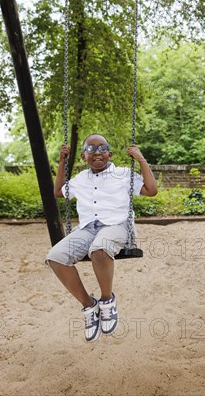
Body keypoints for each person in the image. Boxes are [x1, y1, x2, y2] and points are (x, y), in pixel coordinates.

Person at [46, 133, 158, 342]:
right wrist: (62, 161)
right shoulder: (80, 180)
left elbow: (151, 190)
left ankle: (107, 301)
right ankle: (89, 306)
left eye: (102, 148)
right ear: (83, 156)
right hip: (87, 228)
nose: (97, 153)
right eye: (91, 149)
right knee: (55, 257)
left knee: (99, 250)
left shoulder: (124, 174)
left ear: (110, 154)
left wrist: (141, 159)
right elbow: (58, 192)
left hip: (116, 225)